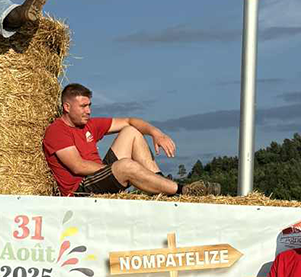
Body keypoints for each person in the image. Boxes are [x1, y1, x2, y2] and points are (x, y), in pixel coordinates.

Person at [42, 83, 218, 197]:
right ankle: (182, 191)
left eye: (89, 106)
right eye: (83, 106)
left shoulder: (88, 124)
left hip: (100, 177)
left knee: (131, 131)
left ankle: (160, 186)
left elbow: (129, 120)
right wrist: (116, 170)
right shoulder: (56, 131)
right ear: (66, 107)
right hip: (82, 190)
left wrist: (156, 133)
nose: (88, 111)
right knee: (125, 165)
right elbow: (78, 166)